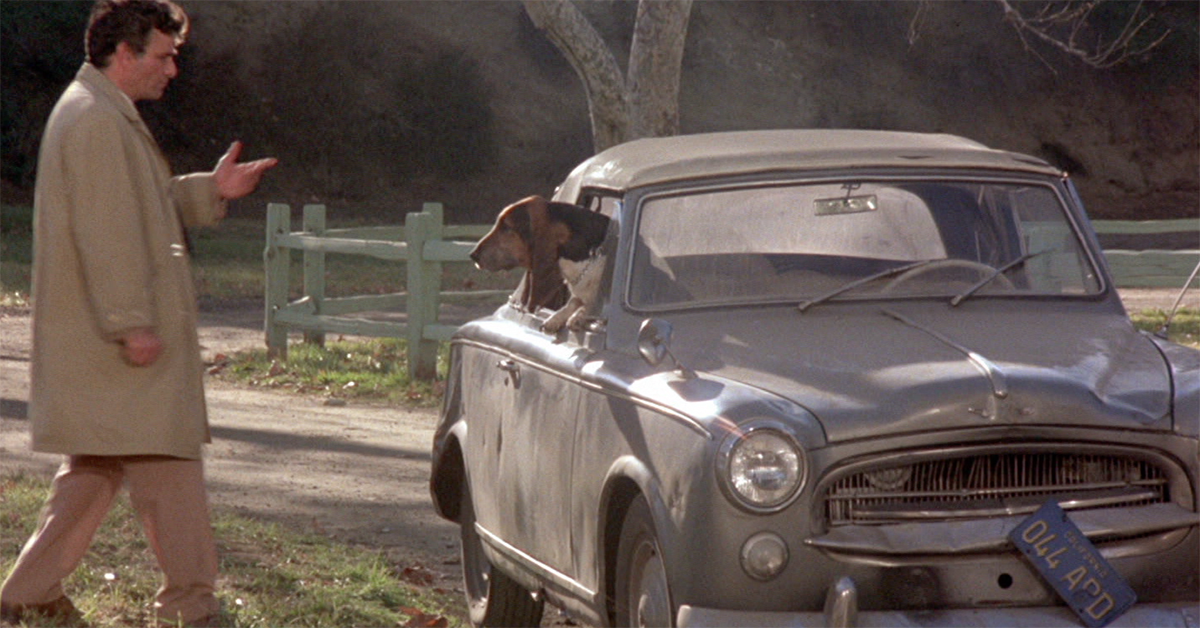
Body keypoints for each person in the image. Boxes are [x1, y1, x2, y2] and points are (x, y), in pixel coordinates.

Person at [0, 1, 277, 626]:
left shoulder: (98, 111)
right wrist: (131, 322)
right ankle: (192, 607)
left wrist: (211, 190)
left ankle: (28, 596)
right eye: (163, 55)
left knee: (94, 470)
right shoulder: (96, 120)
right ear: (123, 55)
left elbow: (136, 206)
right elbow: (106, 232)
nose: (173, 69)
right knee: (168, 464)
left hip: (99, 344)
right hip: (116, 342)